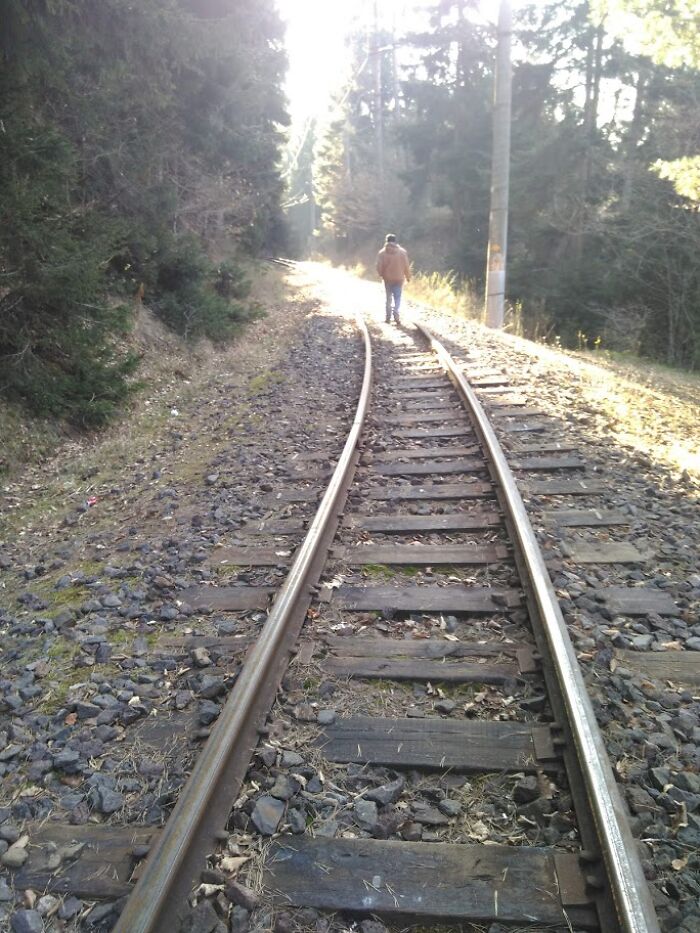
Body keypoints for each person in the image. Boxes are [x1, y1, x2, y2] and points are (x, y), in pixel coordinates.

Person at [376, 233, 411, 324]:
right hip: (399, 279)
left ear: (386, 241)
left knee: (388, 298)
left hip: (387, 279)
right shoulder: (402, 252)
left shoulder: (382, 253)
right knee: (397, 297)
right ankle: (396, 311)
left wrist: (381, 274)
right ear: (395, 241)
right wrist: (408, 277)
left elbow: (379, 267)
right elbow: (406, 266)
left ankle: (388, 317)